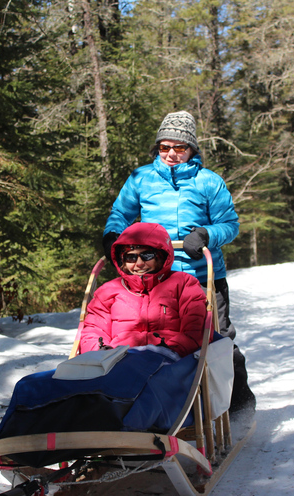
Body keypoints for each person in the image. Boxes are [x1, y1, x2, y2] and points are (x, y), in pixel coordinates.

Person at [102, 110, 255, 411]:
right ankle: (165, 408)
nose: (171, 153)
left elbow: (230, 224)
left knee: (218, 341)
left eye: (179, 147)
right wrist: (112, 235)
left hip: (203, 276)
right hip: (158, 279)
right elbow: (120, 214)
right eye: (164, 147)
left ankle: (237, 406)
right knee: (163, 342)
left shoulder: (208, 181)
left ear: (191, 149)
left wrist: (206, 235)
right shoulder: (141, 179)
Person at [80, 222, 206, 358]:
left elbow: (195, 329)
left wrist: (171, 350)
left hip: (169, 359)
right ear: (123, 260)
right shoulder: (108, 291)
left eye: (147, 256)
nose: (139, 263)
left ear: (160, 256)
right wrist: (101, 352)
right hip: (117, 360)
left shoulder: (183, 284)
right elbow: (94, 329)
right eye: (131, 257)